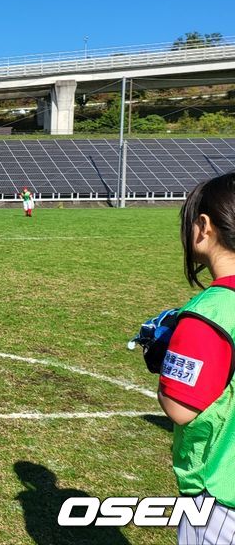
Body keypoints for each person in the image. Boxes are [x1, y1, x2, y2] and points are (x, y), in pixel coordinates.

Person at [136, 173, 235, 543]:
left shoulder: (211, 313)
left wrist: (163, 358)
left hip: (222, 492)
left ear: (204, 227)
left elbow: (181, 407)